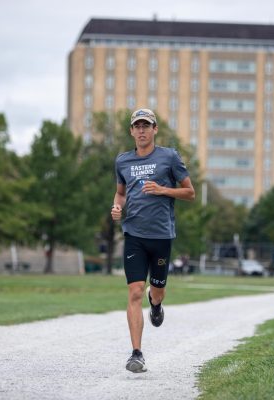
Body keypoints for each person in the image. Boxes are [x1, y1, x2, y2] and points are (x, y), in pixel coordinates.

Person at [111, 108, 195, 373]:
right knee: (134, 291)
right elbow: (120, 194)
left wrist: (162, 190)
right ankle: (136, 353)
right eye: (137, 126)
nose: (142, 130)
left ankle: (156, 304)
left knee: (155, 290)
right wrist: (117, 207)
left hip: (161, 236)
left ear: (155, 129)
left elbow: (190, 192)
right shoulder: (123, 161)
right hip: (134, 234)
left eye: (147, 125)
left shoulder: (169, 157)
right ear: (132, 131)